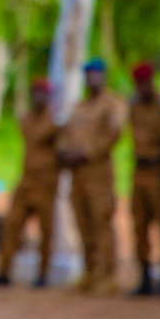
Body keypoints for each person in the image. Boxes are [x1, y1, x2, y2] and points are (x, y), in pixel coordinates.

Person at [57, 58, 126, 293]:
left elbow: (114, 134)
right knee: (83, 222)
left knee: (101, 223)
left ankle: (108, 275)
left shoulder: (112, 104)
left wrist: (87, 153)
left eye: (96, 74)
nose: (92, 79)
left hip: (99, 173)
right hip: (78, 175)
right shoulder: (80, 107)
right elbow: (66, 133)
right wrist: (65, 152)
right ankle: (90, 272)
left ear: (104, 76)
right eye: (88, 75)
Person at [0, 77, 59, 288]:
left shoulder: (54, 121)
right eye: (36, 92)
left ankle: (43, 274)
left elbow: (46, 135)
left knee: (46, 231)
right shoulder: (28, 119)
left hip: (46, 183)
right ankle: (3, 271)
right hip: (26, 180)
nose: (38, 97)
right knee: (11, 226)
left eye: (43, 93)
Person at [128, 62, 160, 295]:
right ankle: (145, 276)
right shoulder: (134, 107)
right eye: (138, 84)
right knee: (139, 225)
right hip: (139, 172)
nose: (141, 88)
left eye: (144, 83)